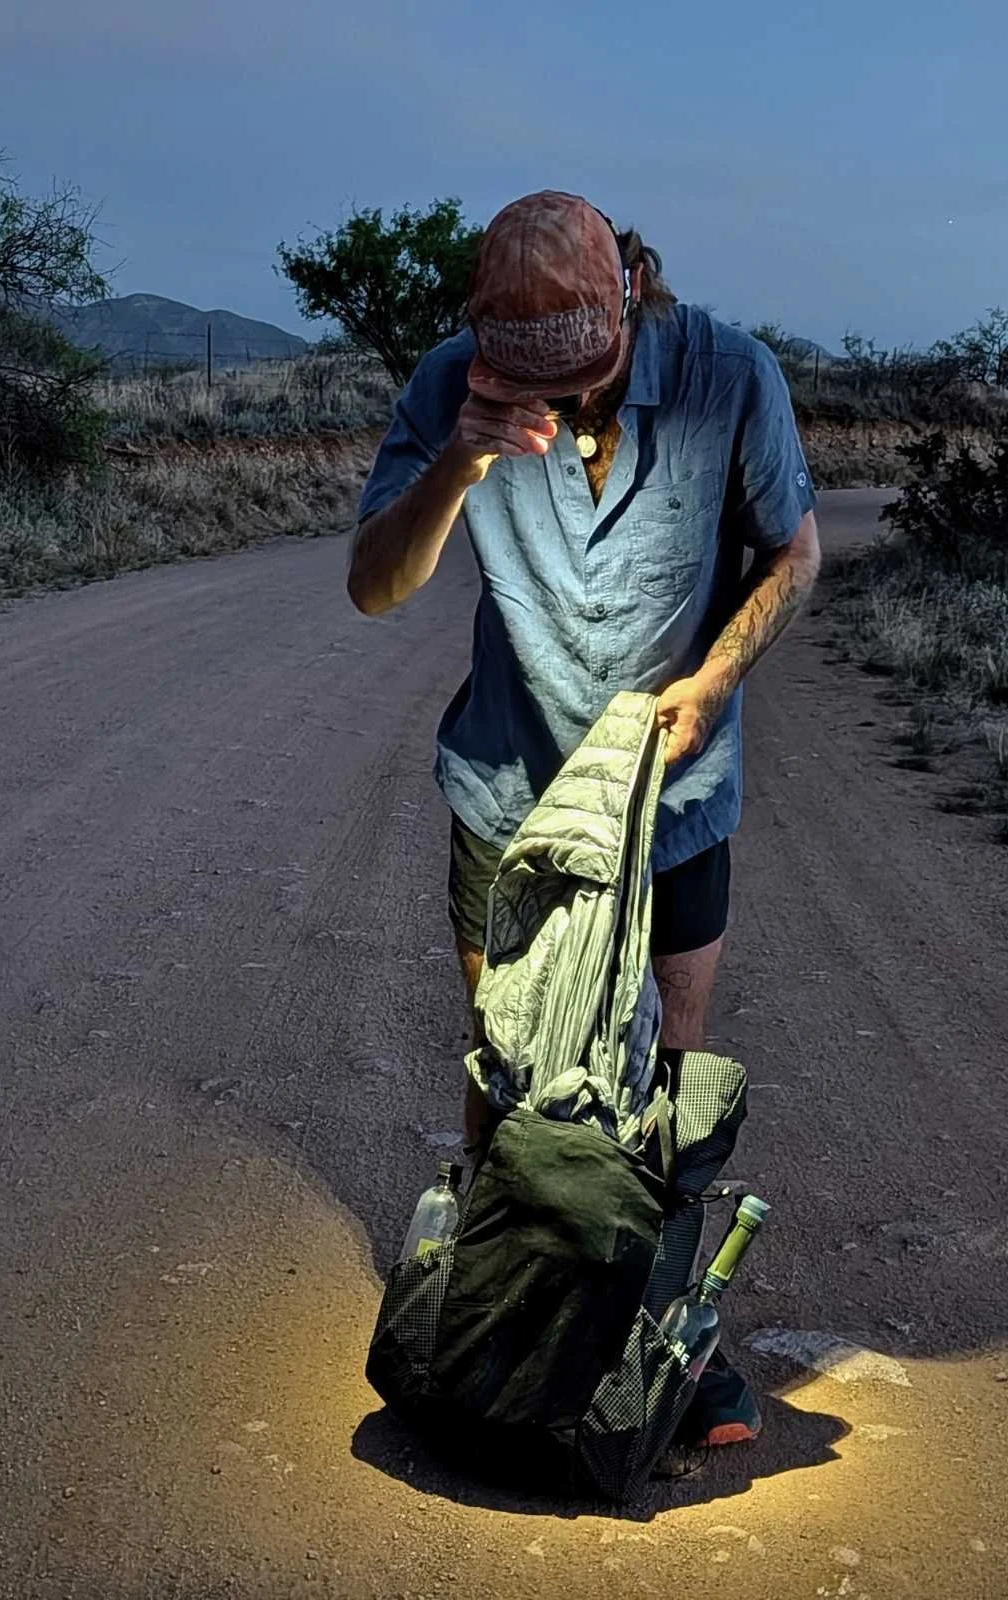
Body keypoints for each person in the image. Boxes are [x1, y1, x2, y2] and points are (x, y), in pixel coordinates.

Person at [347, 190, 822, 1452]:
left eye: (597, 377)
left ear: (632, 295)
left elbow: (798, 554)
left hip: (673, 803)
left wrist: (714, 683)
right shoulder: (458, 388)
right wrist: (465, 453)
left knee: (662, 1087)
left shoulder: (731, 375)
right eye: (540, 387)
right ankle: (499, 1342)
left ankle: (656, 1341)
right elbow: (373, 586)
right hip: (510, 792)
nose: (579, 409)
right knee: (509, 1073)